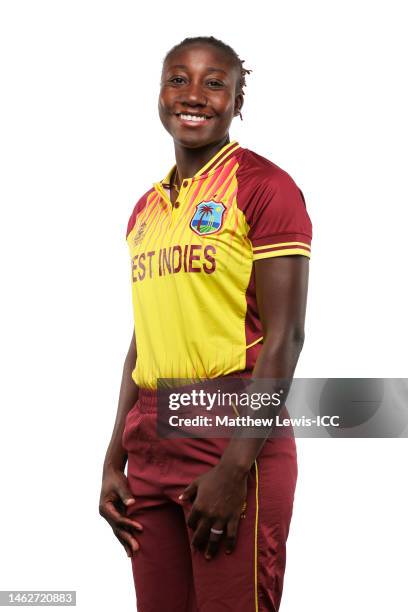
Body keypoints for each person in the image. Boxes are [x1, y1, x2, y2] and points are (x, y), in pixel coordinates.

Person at [99, 35, 312, 612]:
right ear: (160, 93)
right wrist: (114, 458)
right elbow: (144, 339)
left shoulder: (264, 187)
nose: (194, 94)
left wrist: (235, 467)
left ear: (237, 100)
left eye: (214, 82)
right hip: (150, 433)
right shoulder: (146, 209)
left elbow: (286, 339)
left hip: (230, 427)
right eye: (178, 79)